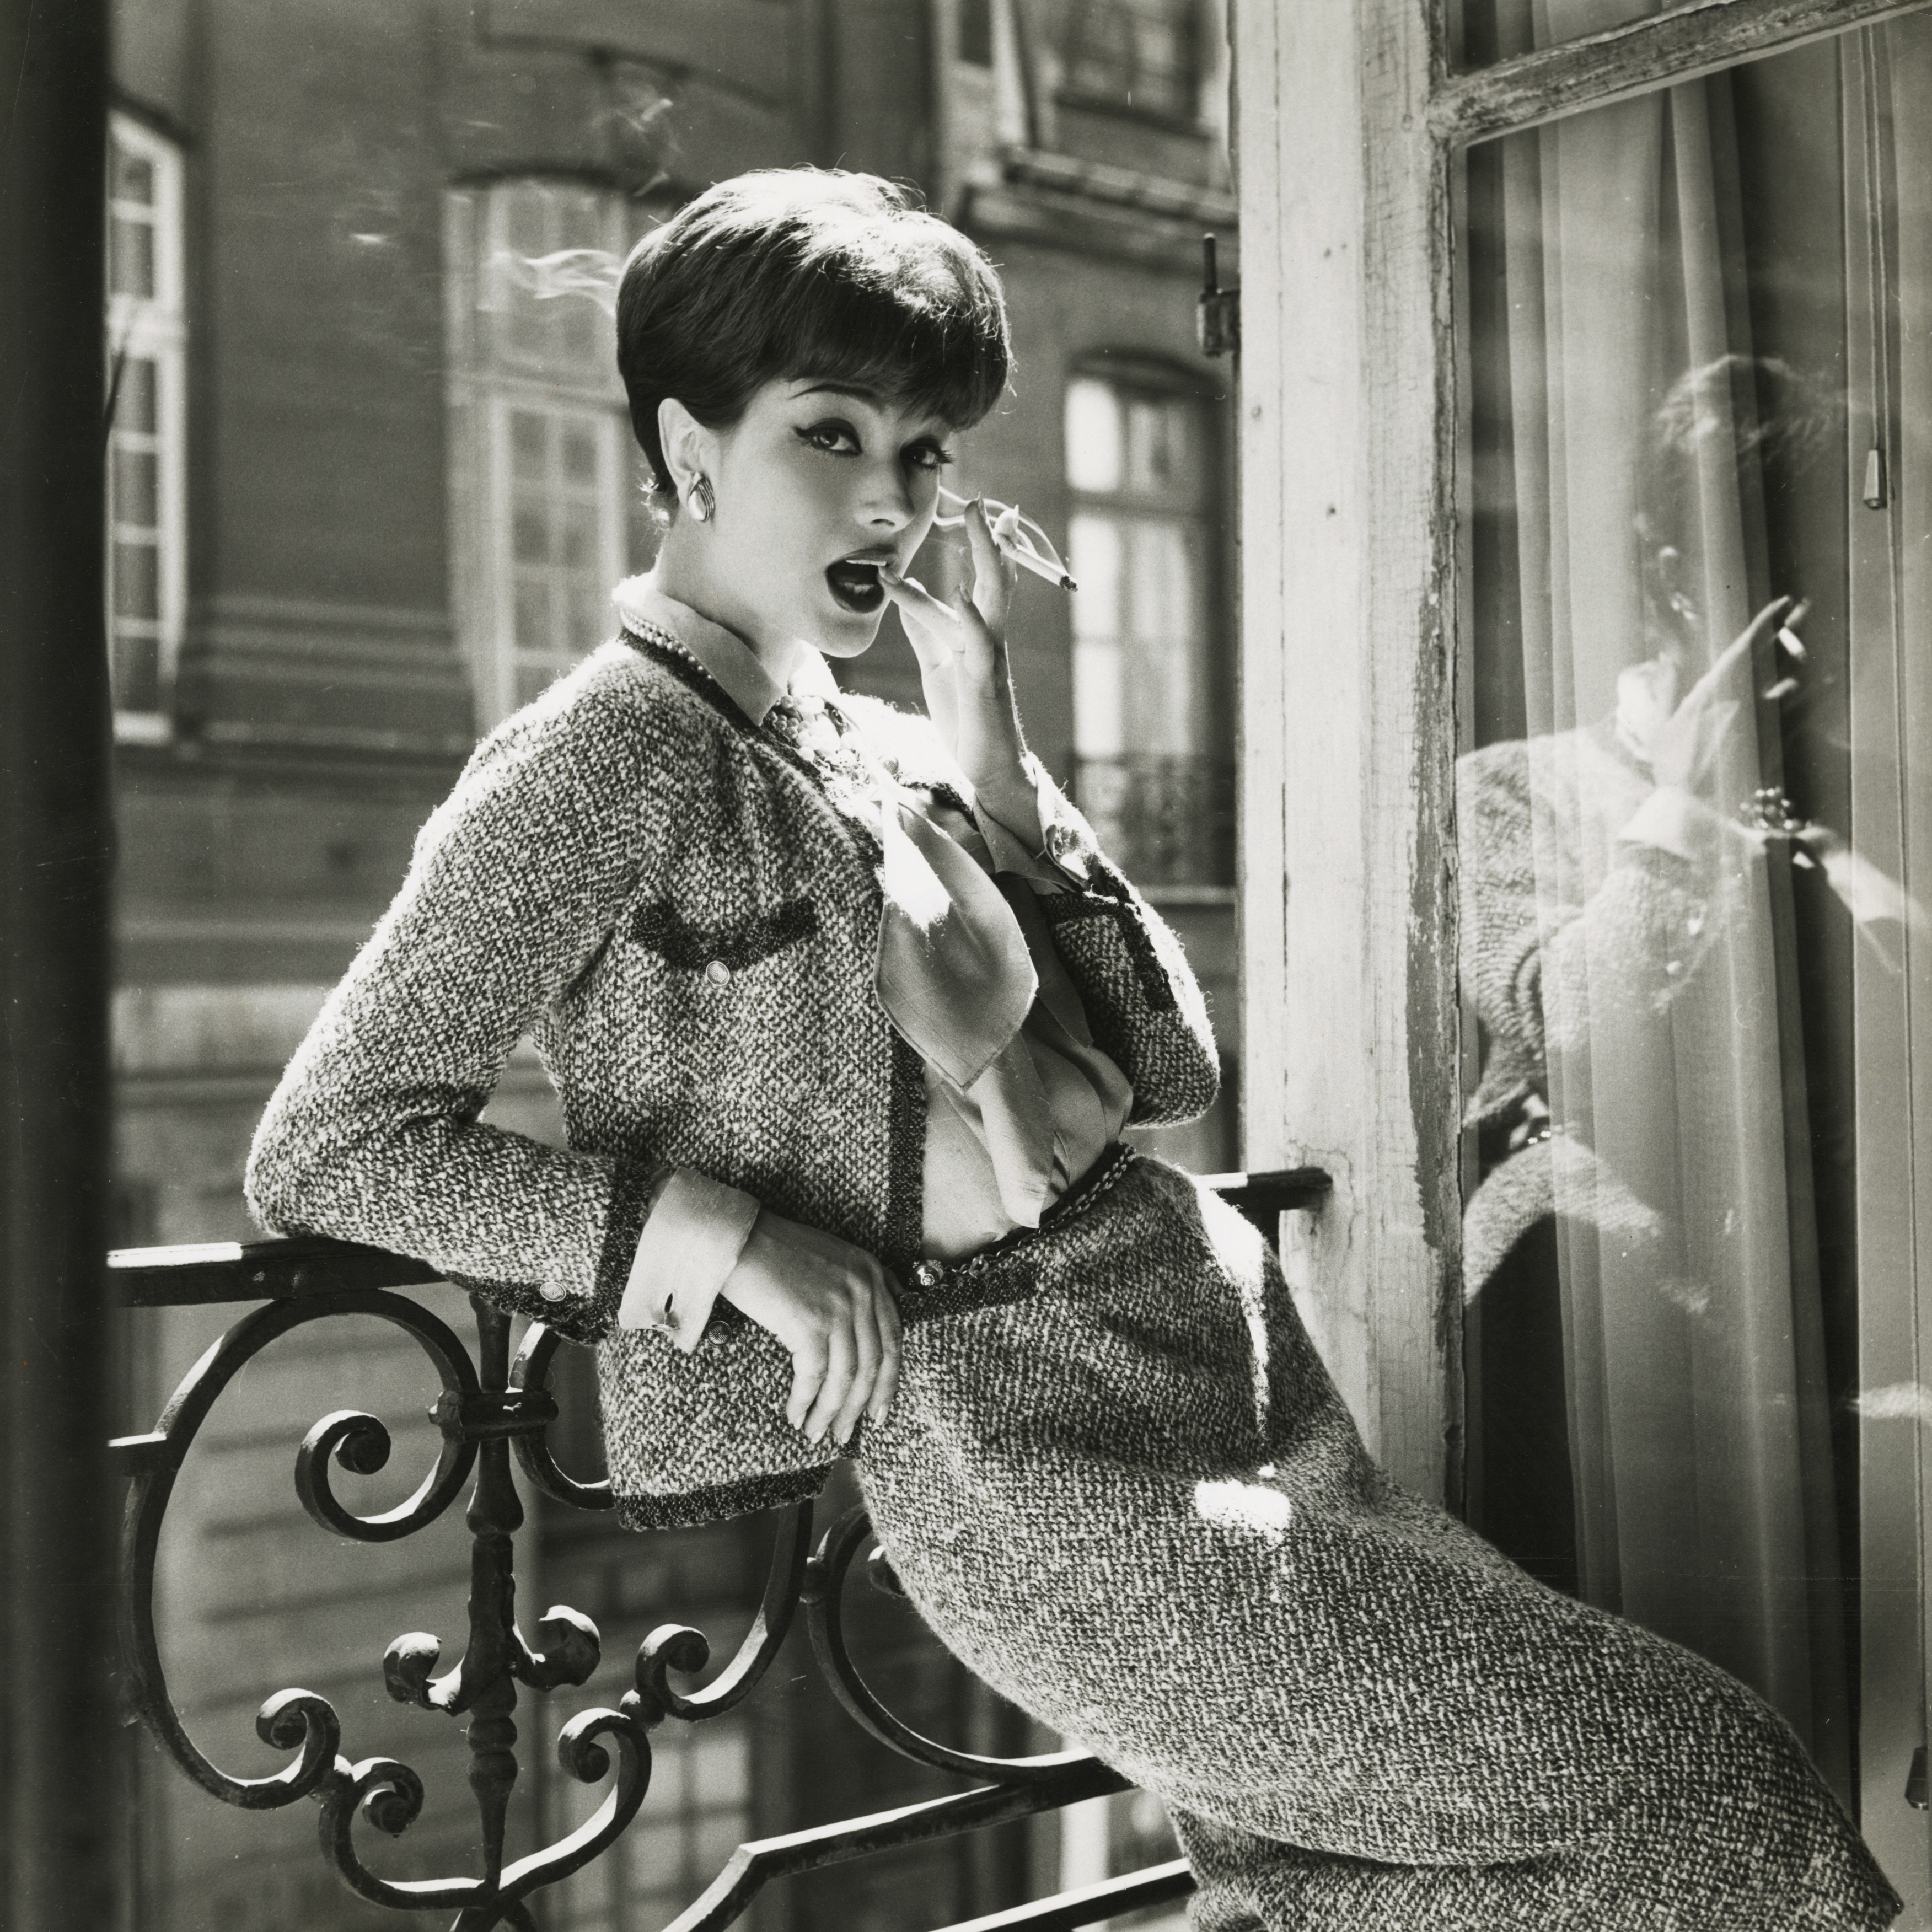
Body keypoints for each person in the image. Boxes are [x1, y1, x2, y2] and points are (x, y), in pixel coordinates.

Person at [246, 170, 1898, 1930]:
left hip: (1210, 1349)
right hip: (1016, 1450)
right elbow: (331, 1143)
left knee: (1350, 1868)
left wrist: (995, 754)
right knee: (1700, 1781)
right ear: (689, 443)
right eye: (833, 433)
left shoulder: (869, 739)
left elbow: (1171, 1071)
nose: (893, 493)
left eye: (927, 448)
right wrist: (730, 1244)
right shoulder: (603, 758)